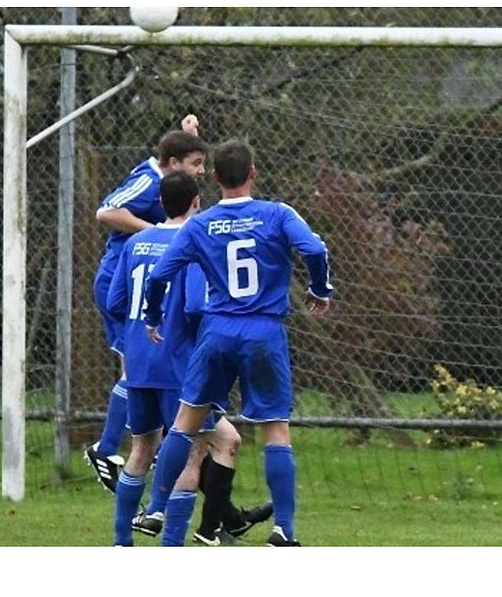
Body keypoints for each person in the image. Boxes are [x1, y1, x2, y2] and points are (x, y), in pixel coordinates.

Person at [142, 139, 333, 546]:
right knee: (275, 430)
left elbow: (159, 276)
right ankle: (284, 530)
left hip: (217, 331)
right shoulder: (277, 214)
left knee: (184, 424)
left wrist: (153, 315)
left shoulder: (199, 225)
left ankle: (157, 509)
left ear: (213, 177)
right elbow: (314, 248)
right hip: (264, 331)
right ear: (253, 173)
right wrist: (320, 288)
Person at [106, 172, 272, 546]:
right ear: (197, 201)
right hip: (178, 363)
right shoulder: (193, 243)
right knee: (192, 450)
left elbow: (115, 301)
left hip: (138, 363)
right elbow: (195, 305)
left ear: (160, 203)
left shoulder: (135, 242)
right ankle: (173, 543)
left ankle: (121, 541)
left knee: (140, 449)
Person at [84, 115, 208, 493]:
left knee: (142, 365)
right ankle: (106, 449)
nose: (201, 172)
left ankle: (132, 450)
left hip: (143, 285)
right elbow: (106, 210)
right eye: (196, 164)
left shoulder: (170, 178)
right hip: (122, 283)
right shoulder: (149, 179)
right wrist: (154, 232)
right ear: (172, 163)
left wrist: (189, 137)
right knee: (138, 366)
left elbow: (178, 158)